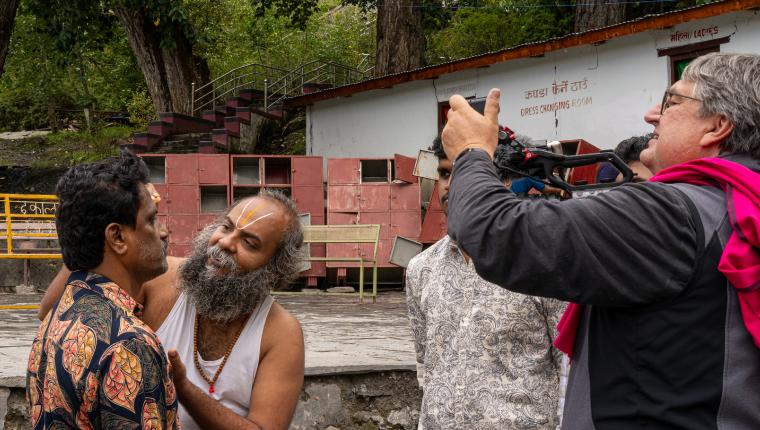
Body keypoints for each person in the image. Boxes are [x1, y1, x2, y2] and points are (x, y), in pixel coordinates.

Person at [440, 52, 760, 429]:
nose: (651, 115)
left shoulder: (673, 213)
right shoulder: (737, 206)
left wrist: (471, 151)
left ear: (718, 126)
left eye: (671, 102)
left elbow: (494, 232)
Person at [40, 189, 306, 430]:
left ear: (275, 270)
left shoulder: (281, 333)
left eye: (249, 243)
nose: (225, 242)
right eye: (226, 227)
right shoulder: (162, 279)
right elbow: (56, 311)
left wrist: (183, 387)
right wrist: (98, 227)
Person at [405, 136, 565, 429]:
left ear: (503, 181)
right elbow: (426, 366)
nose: (450, 184)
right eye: (443, 173)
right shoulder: (421, 269)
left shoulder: (540, 261)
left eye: (464, 172)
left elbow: (568, 367)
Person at [27, 151, 179, 429]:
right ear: (118, 237)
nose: (163, 232)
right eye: (151, 220)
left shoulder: (57, 319)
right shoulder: (129, 344)